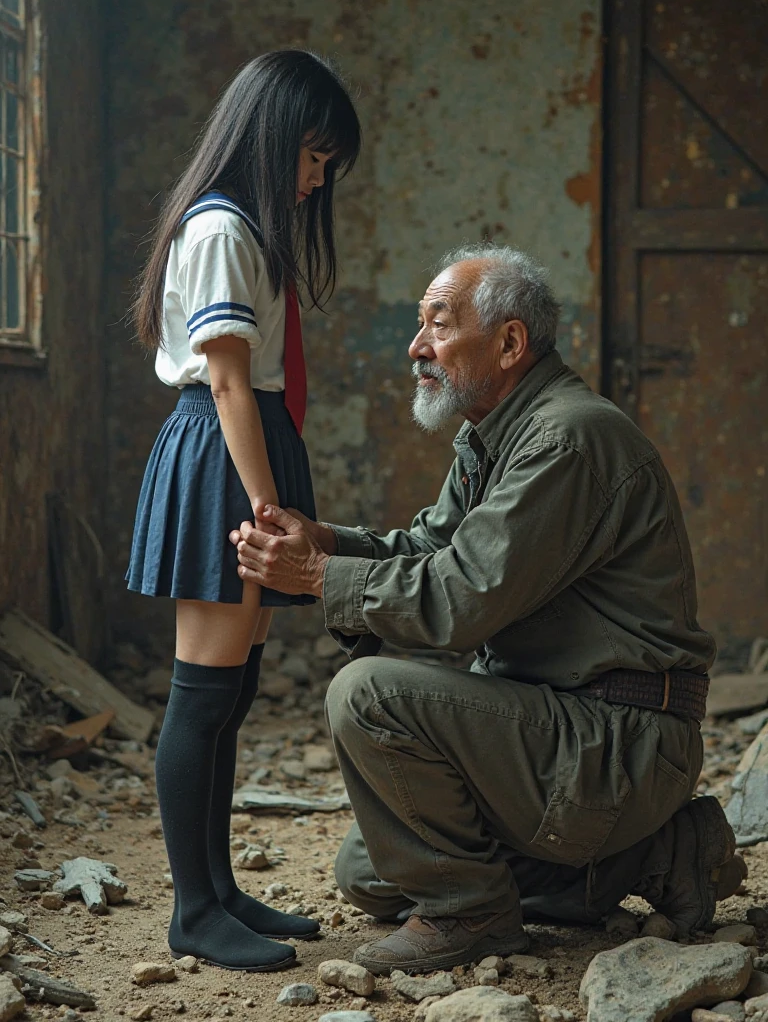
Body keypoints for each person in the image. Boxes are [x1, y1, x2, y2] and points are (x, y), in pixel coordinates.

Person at [231, 244, 747, 975]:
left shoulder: (566, 438)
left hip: (617, 741)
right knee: (371, 873)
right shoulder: (492, 434)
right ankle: (655, 855)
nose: (416, 348)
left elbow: (459, 601)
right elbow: (430, 547)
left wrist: (319, 576)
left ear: (510, 343)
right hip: (563, 729)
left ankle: (470, 914)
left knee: (367, 694)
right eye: (420, 325)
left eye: (438, 325)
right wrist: (329, 540)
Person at [125, 50, 360, 972]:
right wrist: (265, 507)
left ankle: (219, 891)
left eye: (326, 164)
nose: (317, 177)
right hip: (229, 451)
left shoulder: (246, 229)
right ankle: (192, 909)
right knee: (204, 689)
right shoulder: (220, 228)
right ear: (268, 138)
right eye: (311, 156)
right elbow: (226, 383)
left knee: (233, 688)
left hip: (252, 443)